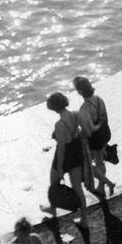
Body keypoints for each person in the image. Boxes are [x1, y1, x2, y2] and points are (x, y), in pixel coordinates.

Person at [46, 91, 89, 226]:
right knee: (77, 187)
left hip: (64, 155)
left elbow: (62, 148)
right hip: (76, 151)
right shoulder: (75, 114)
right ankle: (84, 219)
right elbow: (83, 132)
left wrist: (59, 168)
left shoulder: (59, 124)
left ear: (53, 107)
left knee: (54, 183)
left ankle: (52, 210)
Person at [73, 75, 114, 198]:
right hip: (105, 133)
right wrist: (101, 123)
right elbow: (105, 118)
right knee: (100, 160)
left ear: (80, 92)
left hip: (95, 139)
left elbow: (89, 130)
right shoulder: (99, 99)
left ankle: (104, 184)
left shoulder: (84, 109)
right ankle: (101, 186)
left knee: (85, 163)